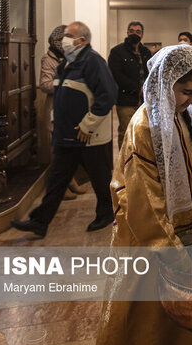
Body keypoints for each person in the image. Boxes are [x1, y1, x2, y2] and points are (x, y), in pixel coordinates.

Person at [92, 45, 192, 345]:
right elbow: (145, 203)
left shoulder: (181, 115)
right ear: (163, 83)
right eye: (186, 91)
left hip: (188, 236)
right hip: (152, 243)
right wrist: (174, 254)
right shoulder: (145, 126)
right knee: (148, 332)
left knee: (183, 331)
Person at [11, 21, 117, 237]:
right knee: (57, 180)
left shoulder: (93, 61)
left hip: (89, 136)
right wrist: (54, 119)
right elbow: (59, 94)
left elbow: (108, 95)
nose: (63, 40)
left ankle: (106, 213)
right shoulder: (67, 62)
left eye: (68, 36)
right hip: (66, 134)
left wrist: (88, 125)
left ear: (82, 41)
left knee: (100, 179)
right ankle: (40, 222)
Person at [38, 25, 87, 200]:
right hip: (55, 109)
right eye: (61, 40)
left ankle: (71, 181)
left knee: (68, 150)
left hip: (70, 109)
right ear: (54, 41)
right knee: (56, 151)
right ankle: (59, 187)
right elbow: (44, 84)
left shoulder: (70, 57)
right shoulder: (48, 59)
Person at [108, 20, 152, 149]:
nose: (134, 33)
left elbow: (151, 71)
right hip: (126, 99)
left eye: (138, 31)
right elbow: (116, 75)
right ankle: (125, 164)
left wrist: (147, 89)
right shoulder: (117, 52)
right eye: (132, 31)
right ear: (127, 32)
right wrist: (137, 89)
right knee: (127, 131)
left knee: (143, 131)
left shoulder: (146, 52)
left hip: (145, 100)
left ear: (142, 34)